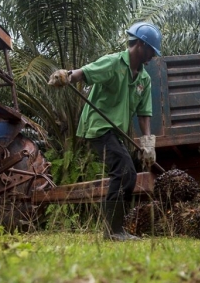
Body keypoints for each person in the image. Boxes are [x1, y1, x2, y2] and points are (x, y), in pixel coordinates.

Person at [48, 22, 162, 239]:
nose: (152, 56)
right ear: (140, 44)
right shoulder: (113, 63)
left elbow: (144, 113)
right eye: (151, 51)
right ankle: (113, 231)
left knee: (127, 172)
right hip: (98, 127)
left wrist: (148, 144)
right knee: (124, 170)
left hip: (115, 132)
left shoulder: (144, 79)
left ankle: (116, 229)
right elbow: (84, 73)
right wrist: (66, 76)